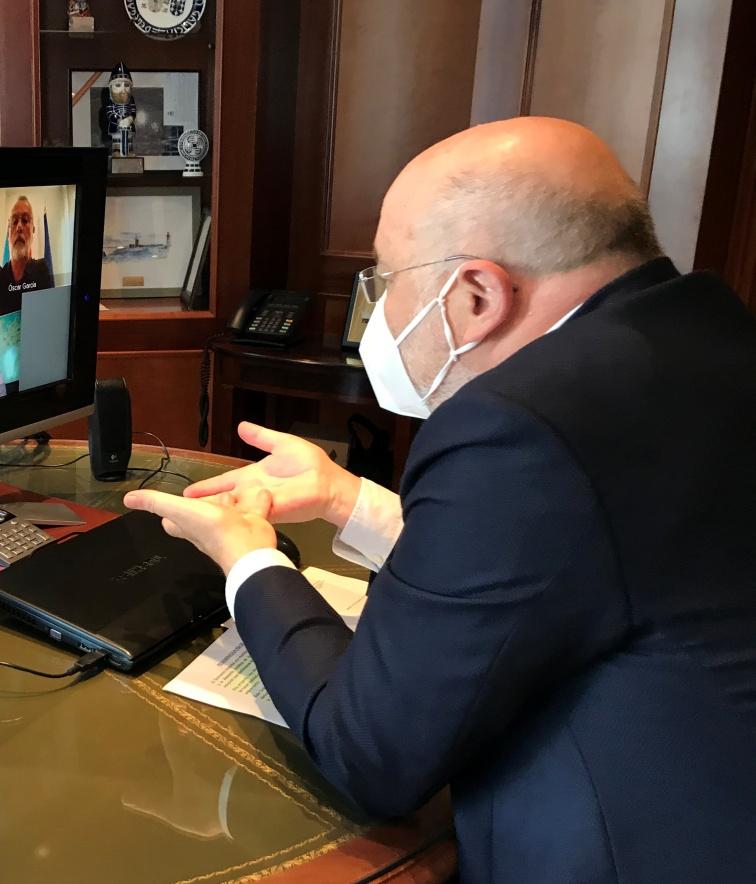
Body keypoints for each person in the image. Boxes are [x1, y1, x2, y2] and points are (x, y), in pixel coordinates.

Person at [125, 117, 756, 881]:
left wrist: (249, 560)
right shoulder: (703, 325)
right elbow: (566, 565)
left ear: (479, 294)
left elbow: (371, 751)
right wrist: (348, 498)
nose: (377, 318)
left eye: (385, 282)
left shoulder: (519, 426)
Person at [0, 195, 53, 313]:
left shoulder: (43, 272)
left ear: (33, 230)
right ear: (8, 232)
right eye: (14, 221)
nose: (19, 227)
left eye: (25, 220)